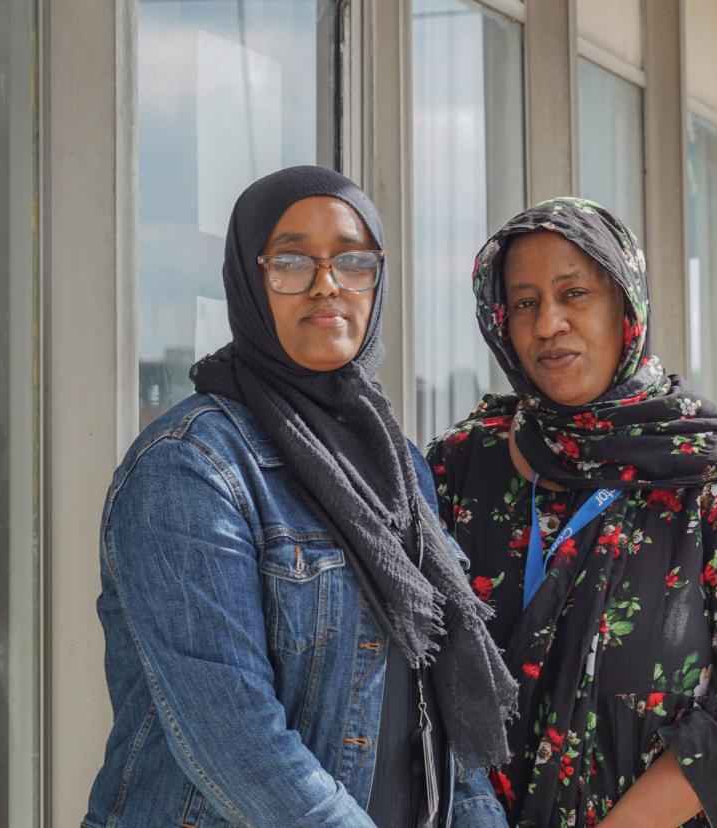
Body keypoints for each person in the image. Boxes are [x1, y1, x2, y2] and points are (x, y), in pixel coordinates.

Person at [84, 166, 515, 828]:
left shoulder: (395, 464)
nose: (327, 283)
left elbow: (445, 712)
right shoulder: (192, 466)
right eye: (291, 260)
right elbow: (236, 739)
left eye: (353, 260)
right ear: (249, 280)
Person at [428, 198, 717, 828]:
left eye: (575, 293)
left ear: (625, 305)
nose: (548, 324)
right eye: (524, 302)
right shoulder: (462, 466)